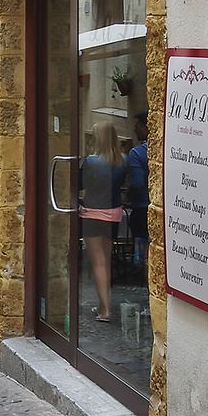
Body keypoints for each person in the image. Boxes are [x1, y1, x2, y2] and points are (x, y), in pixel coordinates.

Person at [79, 119, 128, 322]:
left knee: (97, 263)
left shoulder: (91, 161)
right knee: (106, 262)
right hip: (113, 213)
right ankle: (102, 304)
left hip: (92, 213)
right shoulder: (123, 160)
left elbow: (81, 184)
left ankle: (105, 310)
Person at [125, 114, 150, 264]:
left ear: (146, 127)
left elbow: (137, 183)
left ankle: (144, 273)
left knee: (143, 248)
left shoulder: (137, 153)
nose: (134, 130)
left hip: (142, 206)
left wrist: (128, 197)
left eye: (136, 126)